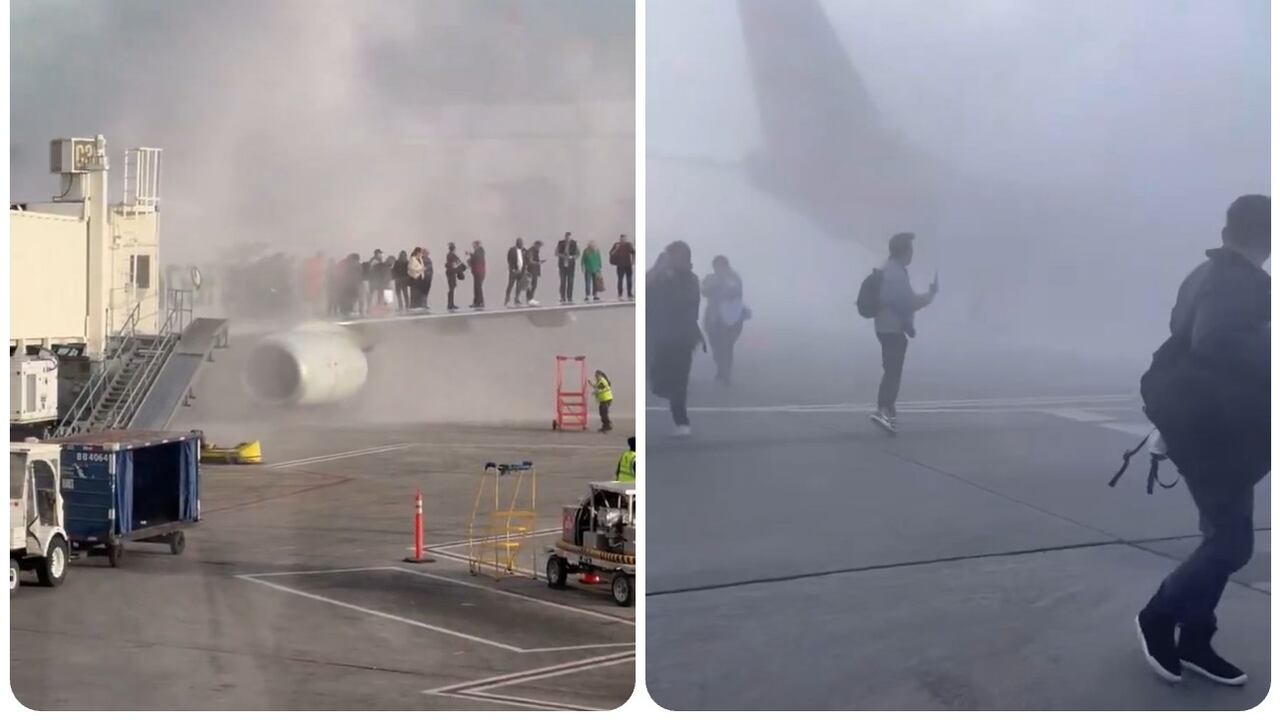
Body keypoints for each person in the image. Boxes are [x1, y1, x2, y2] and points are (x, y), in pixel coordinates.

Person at [1135, 194, 1270, 687]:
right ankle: (1157, 616)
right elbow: (1215, 341)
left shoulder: (1206, 273)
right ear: (1267, 237)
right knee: (1232, 544)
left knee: (1222, 535)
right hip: (1215, 431)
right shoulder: (1236, 280)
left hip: (1212, 428)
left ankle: (1194, 636)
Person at [870, 232, 938, 433]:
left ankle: (889, 412)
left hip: (884, 326)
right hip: (892, 329)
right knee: (893, 371)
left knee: (891, 369)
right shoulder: (896, 273)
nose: (912, 254)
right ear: (903, 251)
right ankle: (883, 410)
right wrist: (930, 296)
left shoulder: (889, 268)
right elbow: (908, 303)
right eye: (910, 249)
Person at [647, 241, 704, 437]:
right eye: (670, 256)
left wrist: (670, 280)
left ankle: (681, 420)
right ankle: (668, 391)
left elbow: (687, 302)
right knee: (657, 380)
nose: (672, 260)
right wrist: (657, 269)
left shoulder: (691, 279)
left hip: (682, 337)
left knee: (680, 380)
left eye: (675, 257)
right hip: (658, 337)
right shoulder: (659, 276)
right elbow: (644, 290)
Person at [702, 255, 748, 384]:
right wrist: (714, 288)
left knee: (727, 346)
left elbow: (736, 293)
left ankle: (725, 373)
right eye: (716, 266)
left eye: (722, 266)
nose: (719, 269)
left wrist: (721, 289)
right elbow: (704, 291)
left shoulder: (734, 278)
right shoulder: (710, 278)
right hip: (713, 318)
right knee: (715, 346)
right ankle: (720, 367)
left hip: (731, 319)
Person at [556, 231, 580, 303]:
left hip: (571, 265)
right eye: (567, 237)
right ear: (565, 237)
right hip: (562, 264)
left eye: (569, 238)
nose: (568, 239)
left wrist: (572, 257)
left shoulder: (574, 243)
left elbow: (578, 254)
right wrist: (563, 256)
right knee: (563, 281)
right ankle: (562, 297)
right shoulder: (560, 243)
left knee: (570, 281)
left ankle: (569, 297)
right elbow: (556, 253)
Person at [610, 234, 636, 300]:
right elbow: (611, 253)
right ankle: (620, 295)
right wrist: (616, 248)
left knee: (629, 280)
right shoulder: (616, 244)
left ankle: (629, 294)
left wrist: (633, 261)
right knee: (620, 280)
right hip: (620, 265)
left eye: (625, 238)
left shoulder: (628, 245)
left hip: (628, 265)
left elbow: (634, 252)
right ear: (620, 238)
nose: (624, 240)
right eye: (622, 238)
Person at [505, 237, 528, 307]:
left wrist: (525, 269)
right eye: (520, 242)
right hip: (514, 271)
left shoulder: (524, 250)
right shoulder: (512, 250)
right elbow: (509, 259)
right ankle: (507, 299)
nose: (521, 243)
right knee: (510, 285)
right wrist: (512, 269)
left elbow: (526, 259)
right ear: (517, 242)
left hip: (521, 271)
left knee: (519, 286)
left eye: (522, 242)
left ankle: (517, 299)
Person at [468, 240, 486, 309]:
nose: (473, 247)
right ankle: (476, 302)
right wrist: (470, 254)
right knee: (476, 287)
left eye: (474, 245)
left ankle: (480, 302)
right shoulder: (479, 252)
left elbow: (475, 258)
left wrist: (470, 259)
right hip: (477, 272)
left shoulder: (480, 251)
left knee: (478, 287)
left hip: (479, 272)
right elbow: (475, 257)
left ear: (477, 245)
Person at [445, 242, 463, 311]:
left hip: (450, 272)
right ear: (454, 249)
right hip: (451, 273)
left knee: (452, 288)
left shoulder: (449, 255)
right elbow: (458, 261)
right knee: (452, 288)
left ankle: (451, 303)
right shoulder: (452, 255)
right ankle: (450, 304)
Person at [526, 240, 544, 306]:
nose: (539, 247)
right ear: (536, 245)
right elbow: (530, 261)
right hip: (530, 271)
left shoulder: (536, 251)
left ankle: (531, 299)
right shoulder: (531, 251)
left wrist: (539, 262)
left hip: (535, 271)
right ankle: (529, 300)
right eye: (539, 246)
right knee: (531, 286)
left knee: (534, 285)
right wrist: (538, 263)